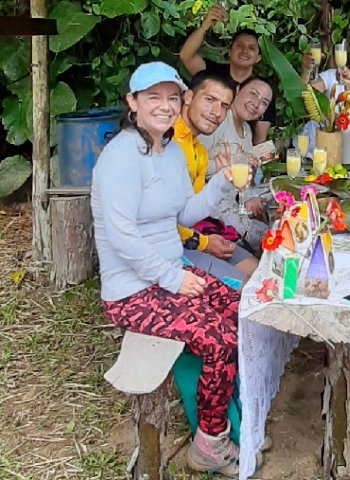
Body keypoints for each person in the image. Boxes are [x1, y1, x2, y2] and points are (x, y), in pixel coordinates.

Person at [91, 62, 257, 474]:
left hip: (170, 274)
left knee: (243, 309)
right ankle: (211, 443)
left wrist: (221, 181)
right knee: (217, 339)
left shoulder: (171, 151)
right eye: (152, 97)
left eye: (170, 96)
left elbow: (186, 210)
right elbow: (121, 235)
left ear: (179, 99)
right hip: (132, 291)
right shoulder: (120, 156)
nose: (163, 106)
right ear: (132, 103)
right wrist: (173, 278)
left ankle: (236, 418)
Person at [173, 70, 259, 281]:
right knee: (248, 287)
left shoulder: (199, 152)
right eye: (209, 100)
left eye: (224, 106)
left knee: (257, 270)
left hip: (193, 232)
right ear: (189, 97)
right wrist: (203, 243)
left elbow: (189, 212)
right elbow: (158, 221)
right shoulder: (168, 141)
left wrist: (224, 180)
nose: (216, 112)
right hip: (168, 247)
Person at [198, 77, 274, 251]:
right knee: (272, 236)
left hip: (234, 200)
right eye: (252, 94)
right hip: (215, 209)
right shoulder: (219, 121)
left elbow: (240, 182)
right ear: (238, 90)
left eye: (263, 102)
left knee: (278, 193)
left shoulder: (246, 130)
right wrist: (227, 165)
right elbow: (192, 167)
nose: (256, 103)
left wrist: (247, 200)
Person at [179, 5, 274, 144]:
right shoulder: (213, 75)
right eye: (239, 46)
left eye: (251, 48)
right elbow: (186, 56)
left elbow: (258, 142)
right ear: (229, 51)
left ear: (258, 58)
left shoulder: (262, 92)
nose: (245, 51)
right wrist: (205, 26)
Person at [297, 39, 350, 153]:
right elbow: (303, 96)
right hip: (307, 150)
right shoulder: (332, 75)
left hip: (341, 159)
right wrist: (307, 70)